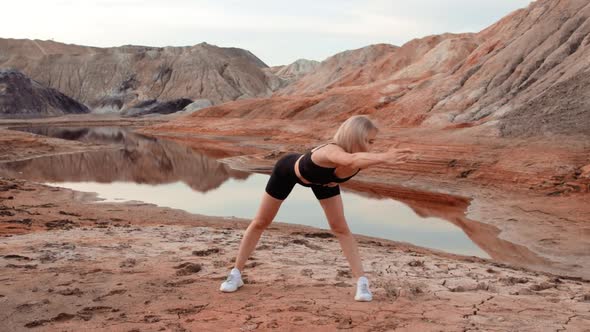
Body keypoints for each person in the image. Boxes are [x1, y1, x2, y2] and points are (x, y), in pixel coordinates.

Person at [219, 115, 414, 301]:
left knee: (340, 227)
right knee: (261, 222)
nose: (372, 147)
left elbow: (353, 162)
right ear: (355, 137)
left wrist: (383, 157)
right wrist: (385, 157)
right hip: (287, 172)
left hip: (322, 182)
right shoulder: (330, 150)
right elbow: (348, 161)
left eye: (373, 142)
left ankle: (362, 282)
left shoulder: (361, 159)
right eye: (369, 142)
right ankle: (235, 274)